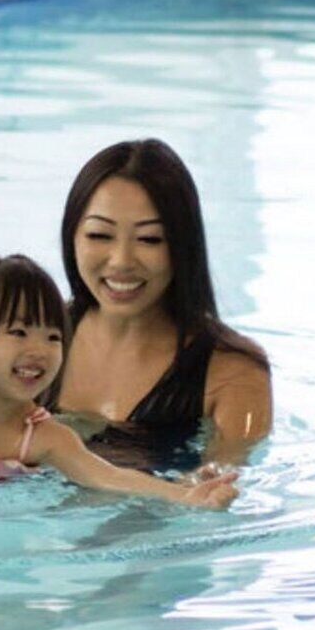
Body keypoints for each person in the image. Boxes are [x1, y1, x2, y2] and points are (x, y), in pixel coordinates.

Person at [0, 255, 239, 508]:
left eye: (53, 337)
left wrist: (184, 495)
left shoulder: (43, 438)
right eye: (18, 332)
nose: (39, 350)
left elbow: (107, 476)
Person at [55, 139, 274, 461]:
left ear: (183, 246)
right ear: (72, 236)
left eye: (149, 239)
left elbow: (217, 492)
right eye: (99, 235)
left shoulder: (233, 371)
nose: (121, 261)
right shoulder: (28, 334)